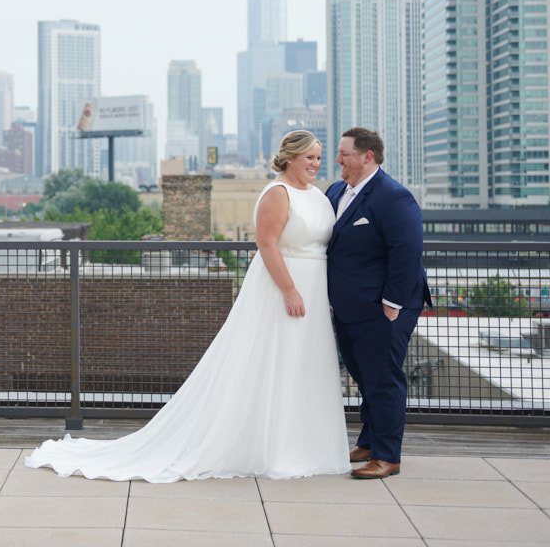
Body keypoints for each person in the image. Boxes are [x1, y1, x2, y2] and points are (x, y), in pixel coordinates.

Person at [25, 131, 350, 481]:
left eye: (319, 157)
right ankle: (273, 447)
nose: (316, 164)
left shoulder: (318, 195)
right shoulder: (277, 193)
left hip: (315, 291)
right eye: (309, 158)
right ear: (290, 159)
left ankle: (303, 445)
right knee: (275, 363)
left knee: (302, 365)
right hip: (283, 289)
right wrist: (289, 289)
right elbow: (267, 244)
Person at [326, 127, 432, 480]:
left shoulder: (394, 197)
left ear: (367, 156)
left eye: (345, 154)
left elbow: (407, 251)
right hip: (348, 307)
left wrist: (392, 303)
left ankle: (388, 455)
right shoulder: (336, 191)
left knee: (384, 378)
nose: (338, 159)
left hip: (383, 307)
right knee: (364, 375)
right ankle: (369, 441)